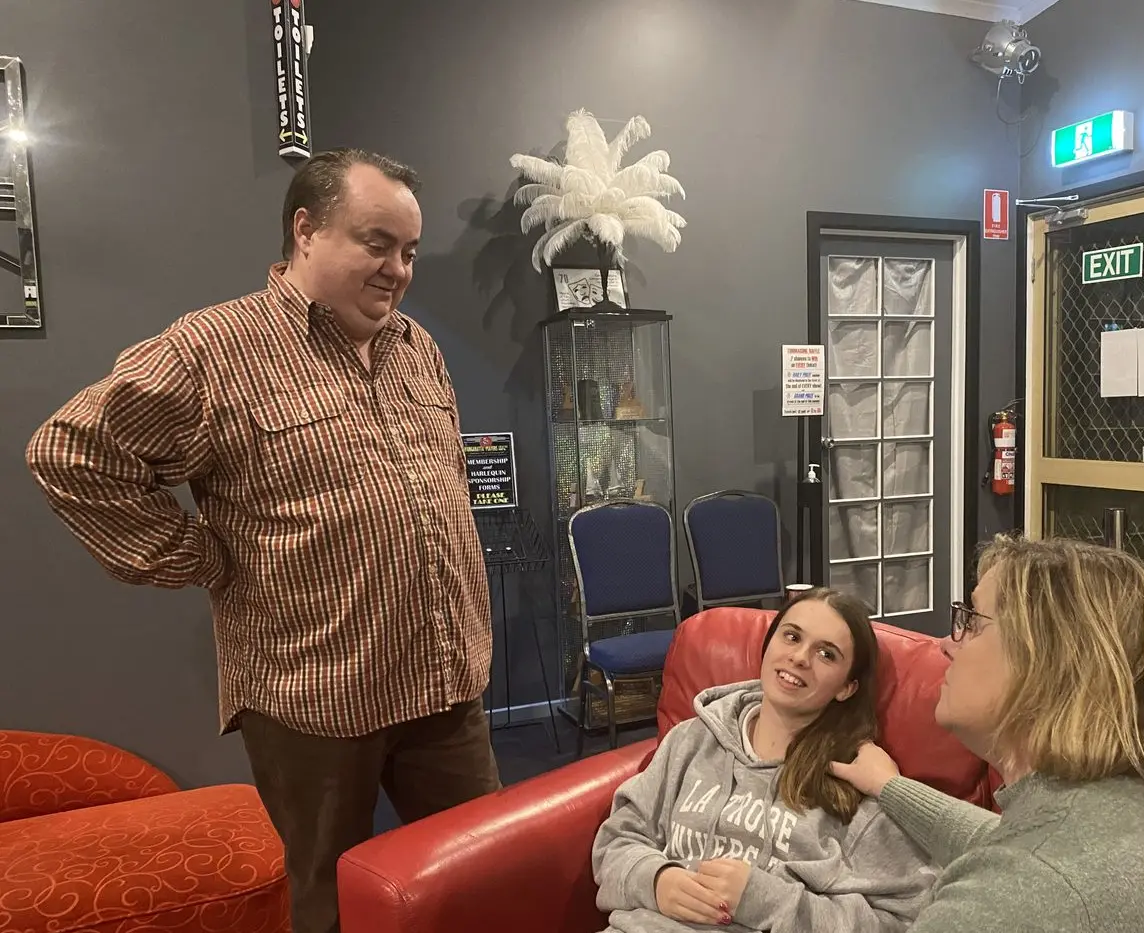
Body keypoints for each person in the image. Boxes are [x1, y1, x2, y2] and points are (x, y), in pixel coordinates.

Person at [26, 149, 497, 933]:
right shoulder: (213, 348)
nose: (398, 269)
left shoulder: (418, 349)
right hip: (313, 695)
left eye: (410, 251)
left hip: (444, 682)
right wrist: (202, 558)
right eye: (377, 242)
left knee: (475, 878)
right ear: (306, 231)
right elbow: (71, 453)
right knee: (329, 902)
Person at [830, 536, 1144, 933]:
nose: (947, 643)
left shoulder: (1022, 895)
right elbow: (1005, 842)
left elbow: (1029, 876)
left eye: (973, 621)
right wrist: (891, 786)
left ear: (1044, 661)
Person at [592, 588, 937, 933]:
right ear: (769, 645)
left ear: (846, 688)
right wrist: (655, 880)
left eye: (826, 654)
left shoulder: (857, 779)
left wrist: (767, 900)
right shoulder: (692, 739)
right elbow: (618, 839)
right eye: (791, 636)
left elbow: (903, 920)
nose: (800, 657)